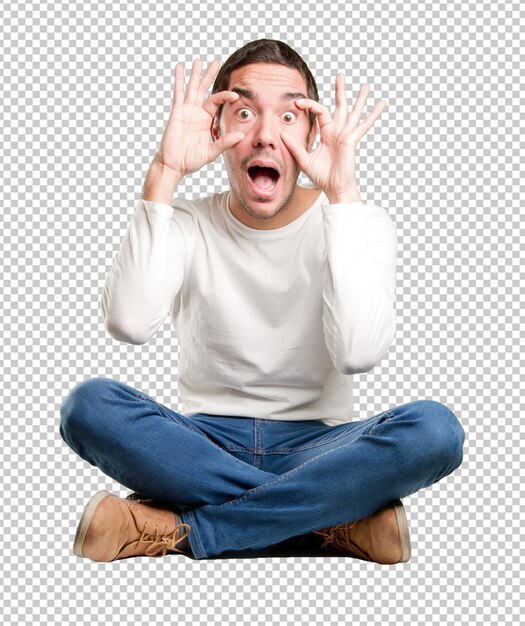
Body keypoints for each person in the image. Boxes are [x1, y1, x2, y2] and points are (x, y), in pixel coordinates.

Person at [59, 38, 465, 564]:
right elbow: (130, 323)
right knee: (87, 407)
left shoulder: (359, 221)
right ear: (216, 130)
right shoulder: (185, 221)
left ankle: (182, 529)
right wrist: (164, 171)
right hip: (200, 443)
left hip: (322, 448)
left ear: (314, 133)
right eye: (244, 113)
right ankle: (331, 519)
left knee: (435, 431)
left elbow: (358, 354)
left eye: (290, 117)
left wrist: (342, 197)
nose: (266, 135)